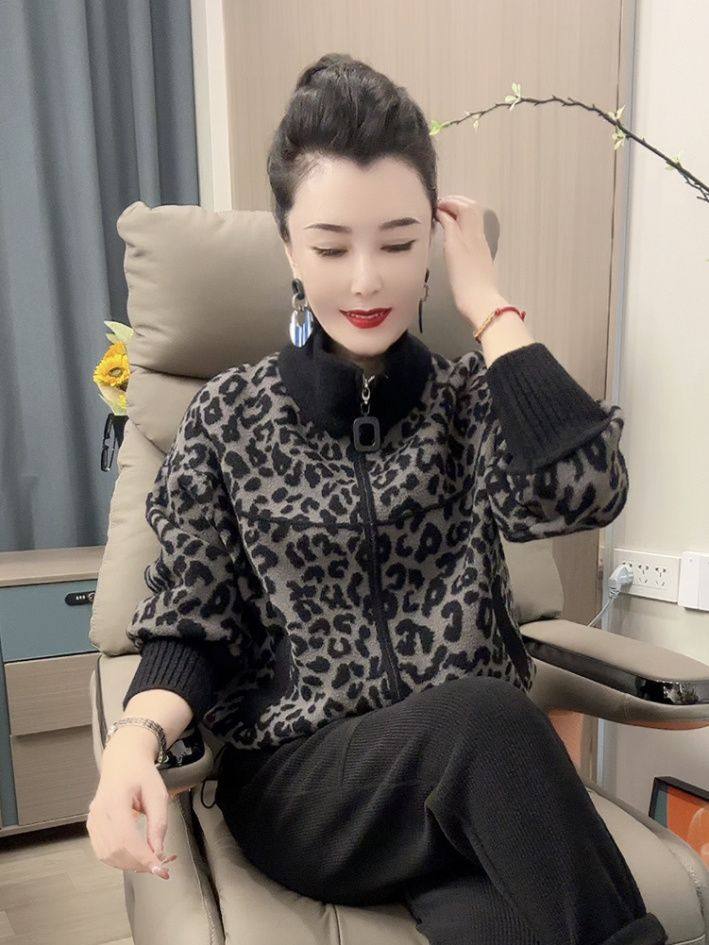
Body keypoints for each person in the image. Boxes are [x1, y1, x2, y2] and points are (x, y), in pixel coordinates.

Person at [87, 53, 667, 945]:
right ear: (288, 246)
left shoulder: (469, 401)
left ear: (433, 242)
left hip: (466, 785)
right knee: (485, 716)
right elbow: (192, 623)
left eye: (398, 243)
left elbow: (584, 490)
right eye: (330, 247)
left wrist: (491, 308)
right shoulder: (229, 416)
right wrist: (133, 736)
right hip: (309, 785)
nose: (366, 281)